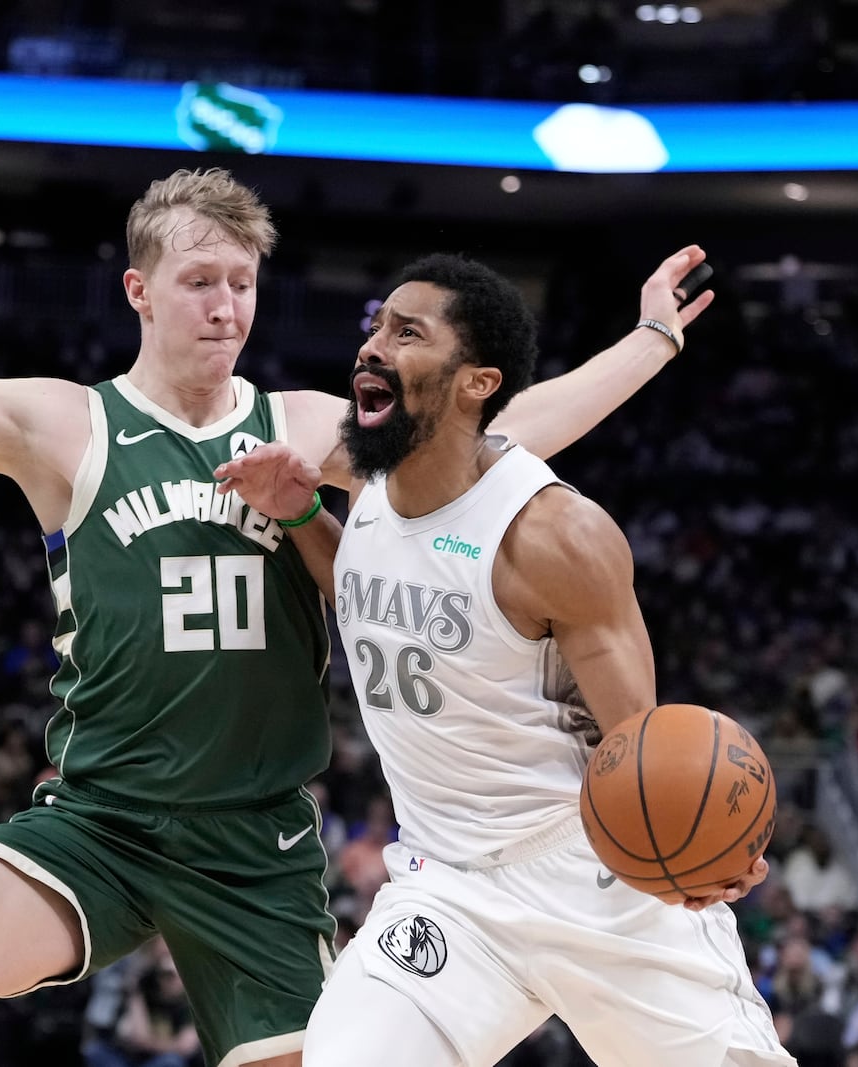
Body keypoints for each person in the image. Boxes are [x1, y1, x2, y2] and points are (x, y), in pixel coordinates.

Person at [0, 20, 730, 1067]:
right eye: (199, 281)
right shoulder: (65, 425)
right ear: (139, 291)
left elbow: (499, 440)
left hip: (255, 845)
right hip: (101, 816)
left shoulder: (305, 426)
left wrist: (651, 338)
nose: (226, 303)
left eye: (241, 280)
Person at [215, 254, 786, 1066]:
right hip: (447, 888)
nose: (372, 348)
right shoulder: (366, 486)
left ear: (476, 383)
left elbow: (643, 749)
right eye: (375, 327)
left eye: (406, 333)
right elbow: (381, 602)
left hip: (598, 874)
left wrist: (712, 846)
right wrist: (302, 513)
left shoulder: (556, 536)